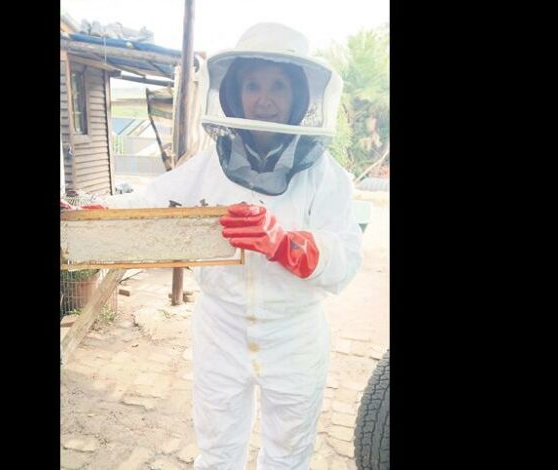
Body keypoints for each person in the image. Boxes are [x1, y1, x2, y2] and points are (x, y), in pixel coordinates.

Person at [70, 22, 363, 468]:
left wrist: (286, 244)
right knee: (217, 449)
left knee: (289, 452)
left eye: (278, 86)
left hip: (294, 334)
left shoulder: (326, 176)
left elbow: (346, 258)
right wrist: (89, 213)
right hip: (220, 328)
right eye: (253, 85)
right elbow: (150, 203)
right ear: (234, 93)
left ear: (299, 96)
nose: (264, 98)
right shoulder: (208, 166)